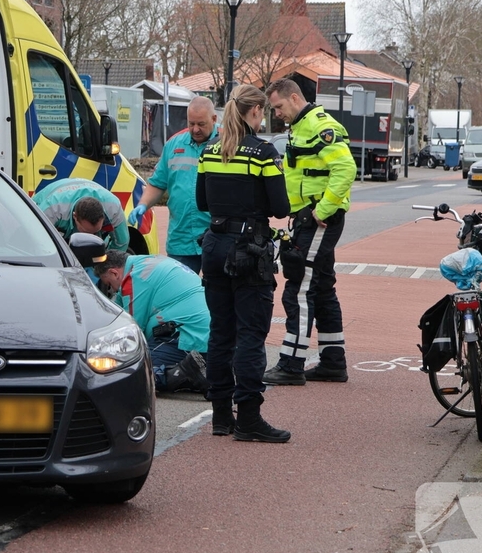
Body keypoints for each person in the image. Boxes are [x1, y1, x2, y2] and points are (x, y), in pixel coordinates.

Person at [197, 83, 291, 443]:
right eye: (263, 112)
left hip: (215, 245)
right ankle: (249, 416)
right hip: (249, 250)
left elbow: (202, 202)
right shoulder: (263, 153)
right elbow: (280, 208)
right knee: (251, 335)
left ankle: (221, 415)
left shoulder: (211, 151)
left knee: (220, 333)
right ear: (254, 112)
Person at [262, 78, 355, 386]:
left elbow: (346, 168)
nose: (277, 113)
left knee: (299, 287)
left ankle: (291, 364)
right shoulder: (301, 127)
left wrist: (322, 210)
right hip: (308, 217)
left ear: (294, 97)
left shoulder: (317, 126)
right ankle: (332, 362)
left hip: (317, 220)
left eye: (278, 106)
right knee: (323, 287)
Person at [94, 250, 209, 394]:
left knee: (130, 373)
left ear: (114, 273)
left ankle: (185, 372)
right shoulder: (147, 262)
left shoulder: (134, 278)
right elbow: (114, 308)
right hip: (203, 331)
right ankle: (204, 368)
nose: (112, 289)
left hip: (188, 335)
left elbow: (131, 330)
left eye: (109, 284)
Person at [128, 95, 218, 272]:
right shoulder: (174, 145)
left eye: (201, 124)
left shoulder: (226, 144)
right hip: (181, 238)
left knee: (215, 296)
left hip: (215, 237)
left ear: (214, 119)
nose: (195, 129)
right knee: (180, 293)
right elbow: (158, 183)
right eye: (191, 123)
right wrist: (143, 205)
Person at [32, 178, 130, 252]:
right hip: (44, 208)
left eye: (96, 232)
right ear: (75, 217)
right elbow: (36, 242)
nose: (91, 237)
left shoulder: (113, 207)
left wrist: (105, 266)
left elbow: (122, 242)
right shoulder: (52, 209)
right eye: (87, 232)